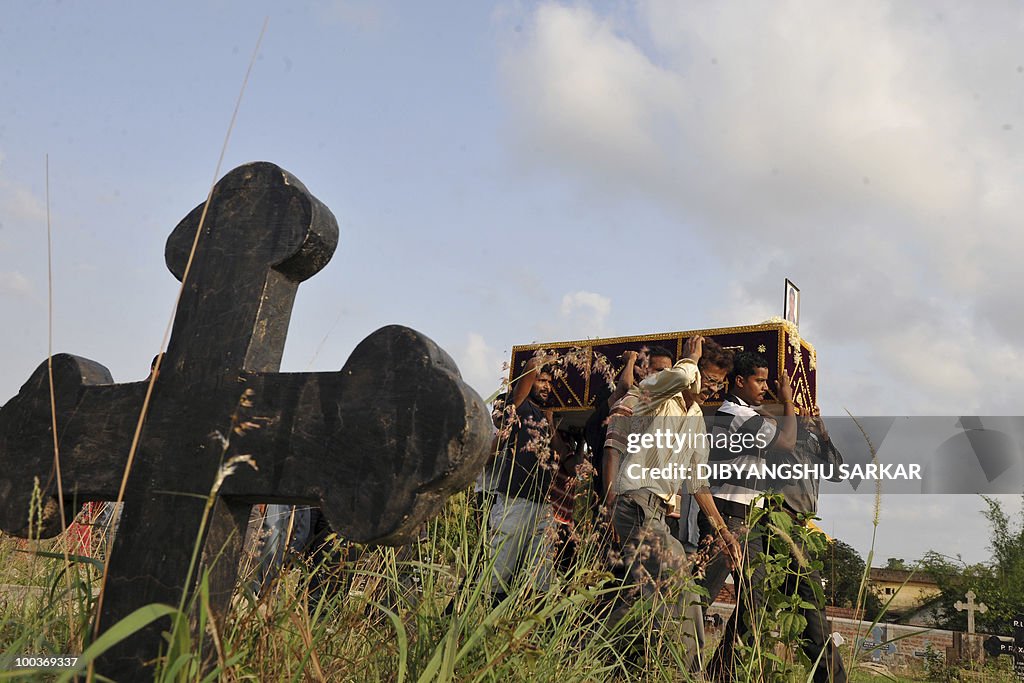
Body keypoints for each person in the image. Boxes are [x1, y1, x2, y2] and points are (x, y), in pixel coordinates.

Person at [601, 336, 742, 671]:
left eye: (718, 384)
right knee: (683, 587)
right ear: (692, 372)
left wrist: (724, 532)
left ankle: (599, 658)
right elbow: (676, 378)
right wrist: (691, 359)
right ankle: (690, 674)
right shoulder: (655, 395)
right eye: (708, 380)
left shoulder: (695, 419)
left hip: (659, 514)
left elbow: (698, 483)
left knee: (638, 597)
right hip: (635, 502)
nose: (711, 389)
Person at [699, 351, 797, 681]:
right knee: (700, 595)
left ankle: (719, 671)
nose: (765, 387)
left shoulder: (748, 416)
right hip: (727, 517)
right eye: (759, 380)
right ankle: (668, 657)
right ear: (739, 382)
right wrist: (788, 403)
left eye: (767, 381)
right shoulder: (739, 415)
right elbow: (786, 442)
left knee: (755, 600)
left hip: (745, 519)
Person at [772, 407, 848, 682]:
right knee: (811, 605)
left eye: (812, 411)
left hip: (802, 529)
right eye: (800, 409)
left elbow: (838, 472)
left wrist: (824, 436)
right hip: (779, 524)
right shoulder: (779, 434)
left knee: (764, 607)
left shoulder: (814, 444)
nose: (807, 415)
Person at [488, 357, 568, 605]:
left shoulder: (543, 416)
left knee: (540, 573)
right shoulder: (517, 406)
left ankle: (528, 626)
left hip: (542, 504)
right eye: (541, 380)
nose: (546, 386)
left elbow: (564, 455)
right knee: (500, 571)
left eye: (549, 382)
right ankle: (483, 622)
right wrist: (542, 359)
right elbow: (530, 369)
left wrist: (551, 423)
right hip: (516, 500)